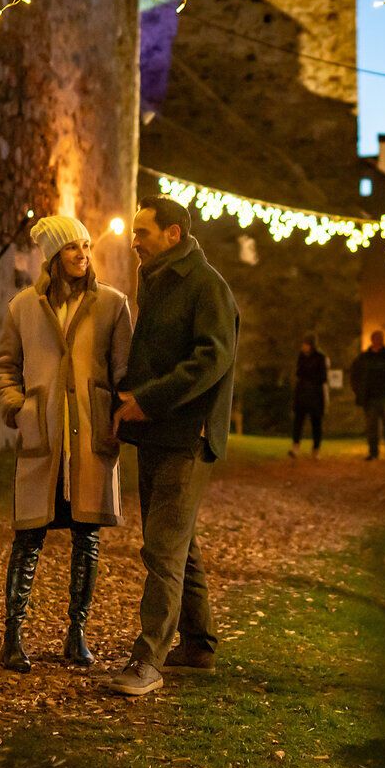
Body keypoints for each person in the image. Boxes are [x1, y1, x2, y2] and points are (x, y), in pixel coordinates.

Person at [106, 196, 240, 697]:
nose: (133, 240)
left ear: (173, 235)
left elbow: (212, 360)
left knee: (162, 548)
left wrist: (150, 399)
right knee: (179, 544)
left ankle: (148, 660)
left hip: (187, 435)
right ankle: (199, 646)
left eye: (142, 231)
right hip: (158, 431)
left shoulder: (207, 288)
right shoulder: (158, 281)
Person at [0, 216, 132, 672]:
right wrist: (18, 407)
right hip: (44, 436)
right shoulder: (23, 308)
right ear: (53, 256)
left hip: (89, 439)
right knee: (28, 536)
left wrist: (117, 416)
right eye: (72, 247)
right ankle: (13, 636)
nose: (82, 255)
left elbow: (123, 372)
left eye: (87, 246)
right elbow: (5, 367)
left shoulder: (112, 305)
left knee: (86, 537)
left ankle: (77, 634)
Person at [349, 330, 385, 461]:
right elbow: (355, 375)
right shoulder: (364, 359)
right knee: (372, 427)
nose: (377, 341)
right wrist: (359, 391)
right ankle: (373, 452)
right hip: (371, 398)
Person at [289, 335, 328, 458]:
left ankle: (316, 449)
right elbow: (298, 372)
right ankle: (295, 447)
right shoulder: (301, 357)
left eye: (306, 343)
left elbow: (323, 377)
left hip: (315, 395)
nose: (303, 346)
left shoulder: (321, 358)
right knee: (298, 422)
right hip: (302, 394)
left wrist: (310, 379)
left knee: (316, 423)